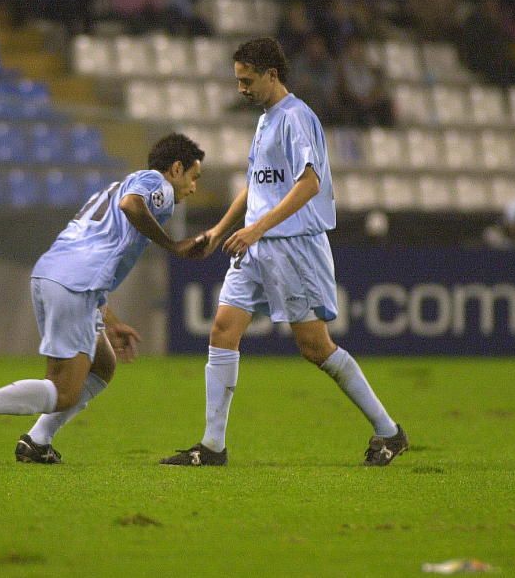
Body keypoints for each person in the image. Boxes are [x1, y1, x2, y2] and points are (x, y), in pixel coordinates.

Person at [160, 38, 407, 468]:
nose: (241, 88)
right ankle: (212, 446)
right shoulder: (265, 120)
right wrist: (221, 230)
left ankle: (389, 432)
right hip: (257, 245)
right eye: (237, 80)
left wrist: (254, 230)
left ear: (271, 75)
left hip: (292, 245)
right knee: (222, 329)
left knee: (314, 347)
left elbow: (309, 184)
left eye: (247, 80)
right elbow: (256, 186)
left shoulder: (296, 118)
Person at [0, 133, 207, 462]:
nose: (193, 188)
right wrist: (174, 245)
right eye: (194, 178)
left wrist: (113, 321)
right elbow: (132, 206)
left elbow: (96, 250)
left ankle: (38, 441)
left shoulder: (112, 188)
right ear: (176, 169)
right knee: (63, 391)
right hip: (74, 283)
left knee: (103, 365)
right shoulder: (155, 184)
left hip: (56, 275)